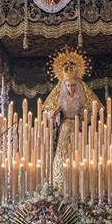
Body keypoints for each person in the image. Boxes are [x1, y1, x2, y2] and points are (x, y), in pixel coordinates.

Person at [43, 47, 102, 190]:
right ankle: (59, 180)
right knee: (63, 152)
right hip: (64, 127)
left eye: (73, 85)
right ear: (64, 85)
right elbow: (49, 108)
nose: (71, 88)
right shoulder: (59, 94)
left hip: (80, 128)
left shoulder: (82, 92)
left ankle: (80, 183)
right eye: (68, 85)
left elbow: (94, 107)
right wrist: (54, 113)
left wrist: (84, 118)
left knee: (80, 153)